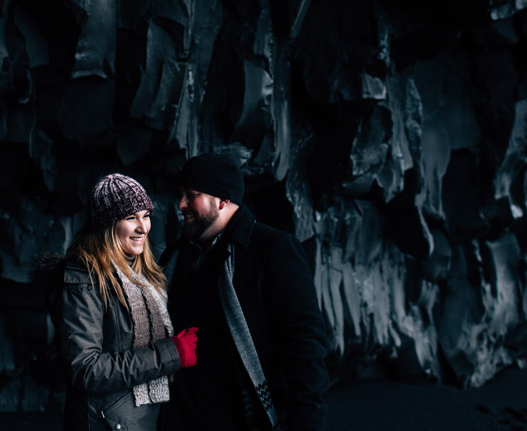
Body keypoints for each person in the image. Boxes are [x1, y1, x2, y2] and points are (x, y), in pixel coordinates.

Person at [159, 153, 329, 431]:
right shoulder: (175, 258)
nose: (181, 205)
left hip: (245, 421)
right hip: (178, 419)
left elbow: (305, 344)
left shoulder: (273, 250)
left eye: (192, 195)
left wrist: (306, 423)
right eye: (181, 195)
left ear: (223, 200)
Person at [51, 173, 199, 431]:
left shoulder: (146, 274)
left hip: (144, 419)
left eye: (146, 215)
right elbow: (86, 370)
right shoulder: (85, 281)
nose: (143, 227)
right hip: (107, 422)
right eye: (131, 218)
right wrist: (170, 353)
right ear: (107, 225)